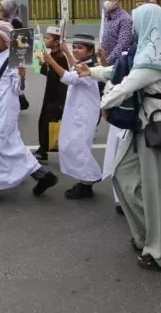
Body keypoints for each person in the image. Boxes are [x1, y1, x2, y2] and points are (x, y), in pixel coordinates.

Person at [84, 3, 161, 271]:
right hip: (141, 126)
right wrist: (91, 72)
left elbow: (128, 85)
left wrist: (104, 104)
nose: (134, 26)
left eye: (137, 21)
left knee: (156, 192)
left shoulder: (156, 54)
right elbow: (119, 71)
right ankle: (146, 235)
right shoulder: (145, 50)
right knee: (121, 174)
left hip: (156, 129)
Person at [0, 19, 58, 205]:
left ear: (6, 39)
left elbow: (19, 89)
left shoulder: (14, 59)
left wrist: (23, 77)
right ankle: (42, 176)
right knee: (11, 145)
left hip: (6, 108)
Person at [40, 34, 102, 199]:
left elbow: (68, 77)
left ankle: (89, 181)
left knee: (77, 148)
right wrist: (67, 51)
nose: (75, 50)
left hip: (84, 115)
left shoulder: (90, 69)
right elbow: (73, 66)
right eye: (74, 46)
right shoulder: (84, 64)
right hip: (78, 113)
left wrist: (51, 61)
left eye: (80, 47)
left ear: (90, 51)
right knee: (74, 146)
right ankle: (86, 180)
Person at [34, 26, 70, 163]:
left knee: (48, 125)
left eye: (48, 38)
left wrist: (61, 102)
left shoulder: (60, 57)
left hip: (55, 98)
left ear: (56, 42)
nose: (45, 40)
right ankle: (43, 150)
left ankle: (43, 152)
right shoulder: (52, 56)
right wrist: (41, 62)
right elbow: (48, 72)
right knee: (44, 122)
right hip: (49, 95)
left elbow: (63, 77)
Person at [100, 0, 134, 66]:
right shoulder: (107, 17)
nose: (107, 1)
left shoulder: (125, 19)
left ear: (118, 0)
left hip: (117, 64)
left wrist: (108, 61)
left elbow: (123, 44)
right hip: (106, 62)